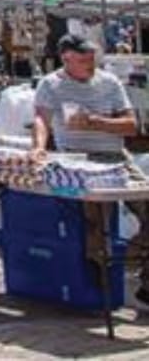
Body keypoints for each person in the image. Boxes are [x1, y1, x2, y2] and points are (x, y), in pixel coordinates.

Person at [32, 33, 149, 307]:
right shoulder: (51, 85)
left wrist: (96, 122)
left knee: (146, 205)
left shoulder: (109, 82)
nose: (90, 64)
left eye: (92, 59)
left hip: (116, 155)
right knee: (95, 223)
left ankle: (135, 264)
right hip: (77, 157)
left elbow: (131, 125)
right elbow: (41, 118)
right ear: (66, 59)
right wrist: (38, 146)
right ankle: (100, 285)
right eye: (84, 59)